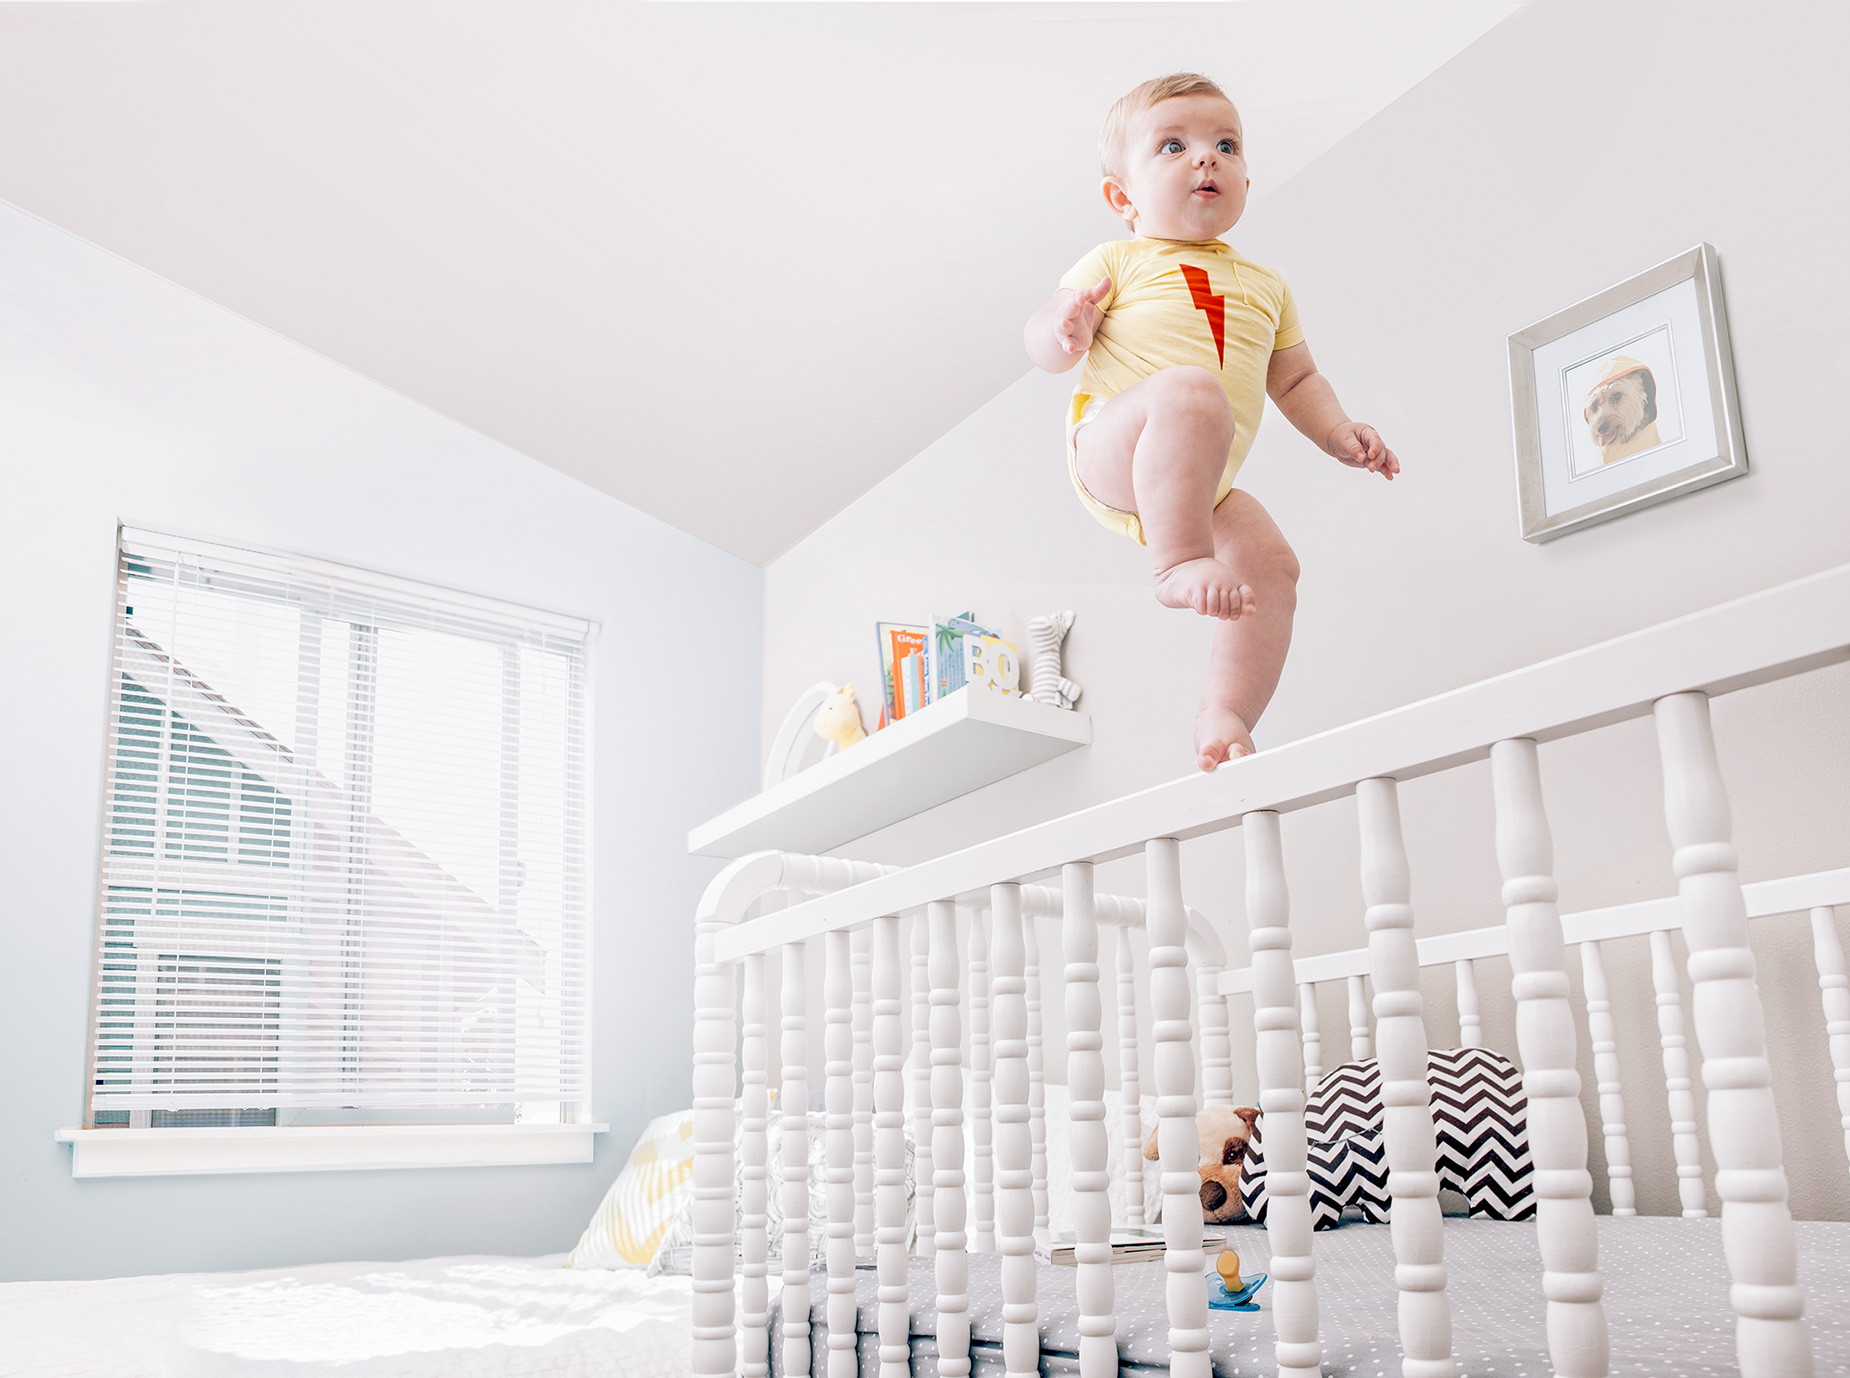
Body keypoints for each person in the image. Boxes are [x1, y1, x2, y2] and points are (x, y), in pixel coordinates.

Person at [1024, 72, 1400, 771]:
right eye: (1174, 145)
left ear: (1247, 185)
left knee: (1273, 564)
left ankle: (1225, 713)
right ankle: (1176, 566)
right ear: (1121, 197)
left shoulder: (1268, 286)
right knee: (1194, 393)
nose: (1206, 157)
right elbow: (1040, 341)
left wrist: (1339, 431)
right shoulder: (1116, 261)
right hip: (1111, 446)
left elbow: (1296, 379)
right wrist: (1063, 327)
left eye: (1225, 144)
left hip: (1198, 483)